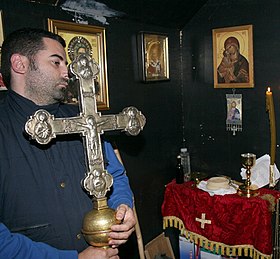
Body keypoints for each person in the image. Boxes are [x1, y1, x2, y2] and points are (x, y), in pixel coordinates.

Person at [0, 28, 136, 258]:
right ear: (20, 64)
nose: (67, 72)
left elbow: (114, 173)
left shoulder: (84, 118)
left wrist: (123, 207)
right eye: (56, 62)